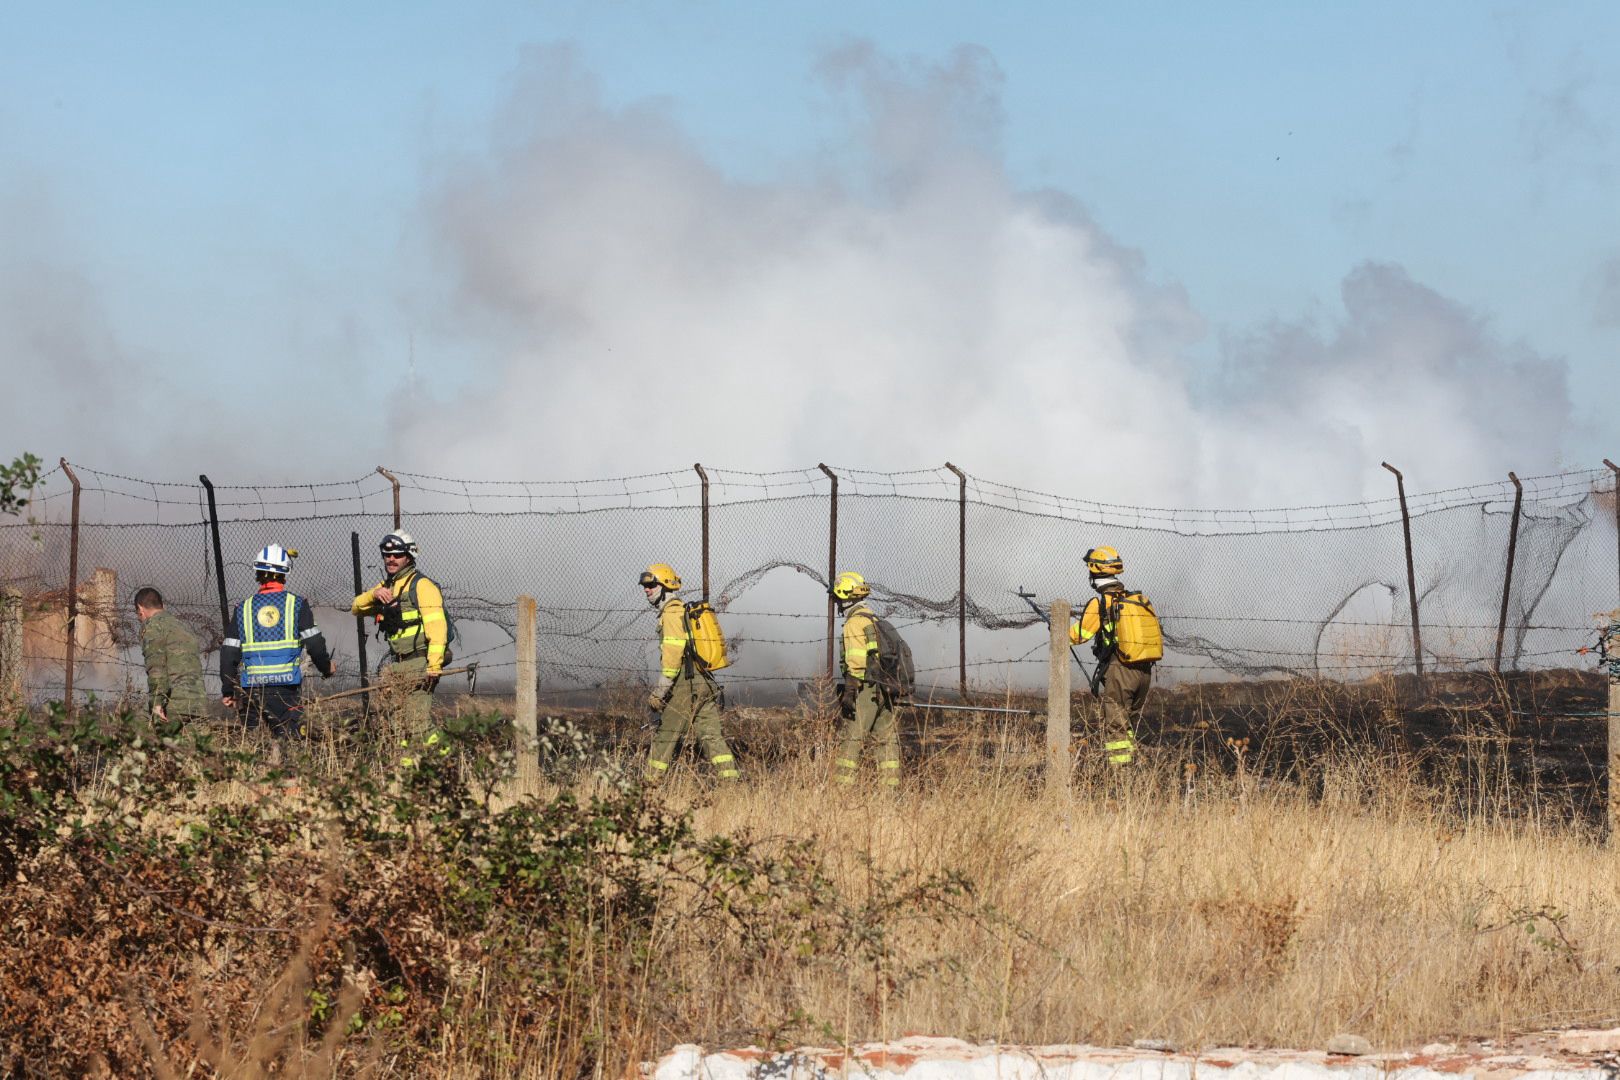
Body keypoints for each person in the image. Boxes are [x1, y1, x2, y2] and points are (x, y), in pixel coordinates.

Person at [220, 544, 334, 739]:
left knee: (254, 746)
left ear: (257, 572)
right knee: (288, 742)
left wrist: (228, 690)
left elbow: (229, 653)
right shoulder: (297, 605)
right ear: (285, 573)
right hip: (286, 690)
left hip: (252, 691)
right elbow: (314, 644)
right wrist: (326, 668)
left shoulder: (243, 608)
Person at [640, 563, 739, 783]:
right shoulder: (680, 609)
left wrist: (659, 692)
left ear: (665, 585)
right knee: (712, 736)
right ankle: (731, 783)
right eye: (645, 586)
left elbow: (673, 658)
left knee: (667, 734)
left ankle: (648, 785)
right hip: (704, 681)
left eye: (651, 585)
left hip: (686, 684)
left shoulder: (672, 613)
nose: (646, 590)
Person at [1069, 546, 1161, 766]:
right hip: (1144, 671)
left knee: (1116, 726)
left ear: (1094, 571)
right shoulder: (1135, 599)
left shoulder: (1101, 603)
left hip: (1120, 671)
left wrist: (1057, 631)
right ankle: (1131, 766)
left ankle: (1120, 776)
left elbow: (1078, 635)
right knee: (1128, 723)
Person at [351, 531, 447, 734]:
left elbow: (437, 629)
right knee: (399, 726)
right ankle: (406, 765)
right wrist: (373, 594)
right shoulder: (386, 587)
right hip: (398, 665)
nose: (391, 559)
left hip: (419, 662)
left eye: (397, 554)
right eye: (387, 555)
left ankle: (445, 761)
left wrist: (434, 665)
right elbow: (356, 608)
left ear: (409, 556)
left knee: (417, 724)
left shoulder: (422, 586)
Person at [830, 570, 900, 787]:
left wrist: (850, 691)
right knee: (886, 741)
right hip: (884, 687)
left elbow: (857, 662)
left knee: (852, 740)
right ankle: (890, 792)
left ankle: (841, 791)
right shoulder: (873, 619)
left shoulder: (854, 623)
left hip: (865, 690)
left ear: (844, 595)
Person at [133, 586, 207, 722]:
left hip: (174, 704)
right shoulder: (182, 626)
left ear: (140, 609)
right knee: (195, 743)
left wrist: (156, 704)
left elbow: (157, 668)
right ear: (163, 606)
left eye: (138, 614)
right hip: (198, 704)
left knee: (137, 730)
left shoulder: (153, 627)